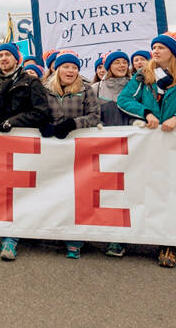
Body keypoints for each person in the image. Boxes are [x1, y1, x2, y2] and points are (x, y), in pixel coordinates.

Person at [117, 32, 176, 269]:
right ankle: (143, 234)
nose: (155, 51)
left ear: (172, 51)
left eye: (161, 47)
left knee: (175, 191)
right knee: (148, 188)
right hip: (150, 142)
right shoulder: (144, 74)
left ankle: (169, 244)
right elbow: (124, 99)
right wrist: (147, 112)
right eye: (153, 47)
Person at [0, 42, 52, 260]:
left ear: (17, 59)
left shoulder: (31, 81)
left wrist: (14, 122)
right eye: (0, 55)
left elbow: (41, 112)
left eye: (8, 55)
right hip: (4, 145)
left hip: (26, 144)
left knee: (24, 191)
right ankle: (9, 234)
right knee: (5, 191)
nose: (3, 58)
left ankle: (16, 236)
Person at [42, 52, 100, 258]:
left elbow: (94, 116)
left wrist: (73, 124)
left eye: (74, 68)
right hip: (52, 149)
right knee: (52, 190)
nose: (70, 71)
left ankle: (74, 239)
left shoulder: (86, 90)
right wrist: (43, 124)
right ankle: (50, 230)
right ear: (58, 69)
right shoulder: (45, 89)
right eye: (66, 67)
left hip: (78, 150)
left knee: (76, 193)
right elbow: (38, 111)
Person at [91, 50, 134, 127]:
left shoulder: (136, 87)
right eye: (117, 62)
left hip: (132, 136)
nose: (122, 65)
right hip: (105, 137)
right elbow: (89, 114)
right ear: (109, 67)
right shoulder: (96, 89)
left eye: (125, 62)